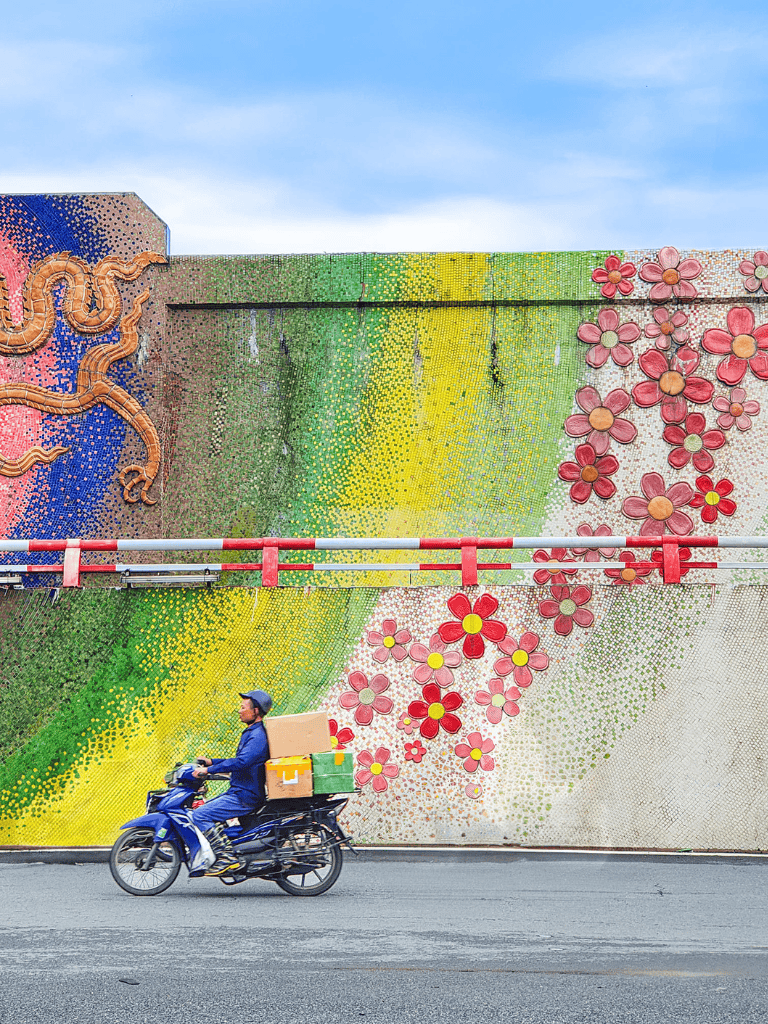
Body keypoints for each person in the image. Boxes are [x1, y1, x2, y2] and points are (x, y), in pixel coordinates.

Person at [191, 689, 272, 874]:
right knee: (205, 811)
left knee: (200, 815)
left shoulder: (258, 736)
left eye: (243, 707)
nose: (239, 711)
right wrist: (212, 762)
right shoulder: (251, 733)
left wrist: (208, 770)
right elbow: (240, 760)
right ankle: (224, 850)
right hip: (239, 791)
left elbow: (242, 762)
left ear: (256, 711)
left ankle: (226, 857)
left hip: (245, 795)